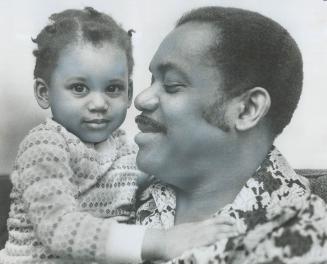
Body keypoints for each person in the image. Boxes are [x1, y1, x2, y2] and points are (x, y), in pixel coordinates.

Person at [0, 7, 239, 264]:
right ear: (44, 93)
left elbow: (151, 177)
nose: (99, 103)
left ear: (128, 93)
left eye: (113, 88)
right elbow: (59, 228)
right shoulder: (45, 145)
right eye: (79, 88)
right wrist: (161, 241)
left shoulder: (122, 147)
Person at [135, 6, 327, 263]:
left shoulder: (311, 231)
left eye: (172, 85)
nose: (140, 99)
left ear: (247, 110)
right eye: (151, 82)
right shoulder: (104, 191)